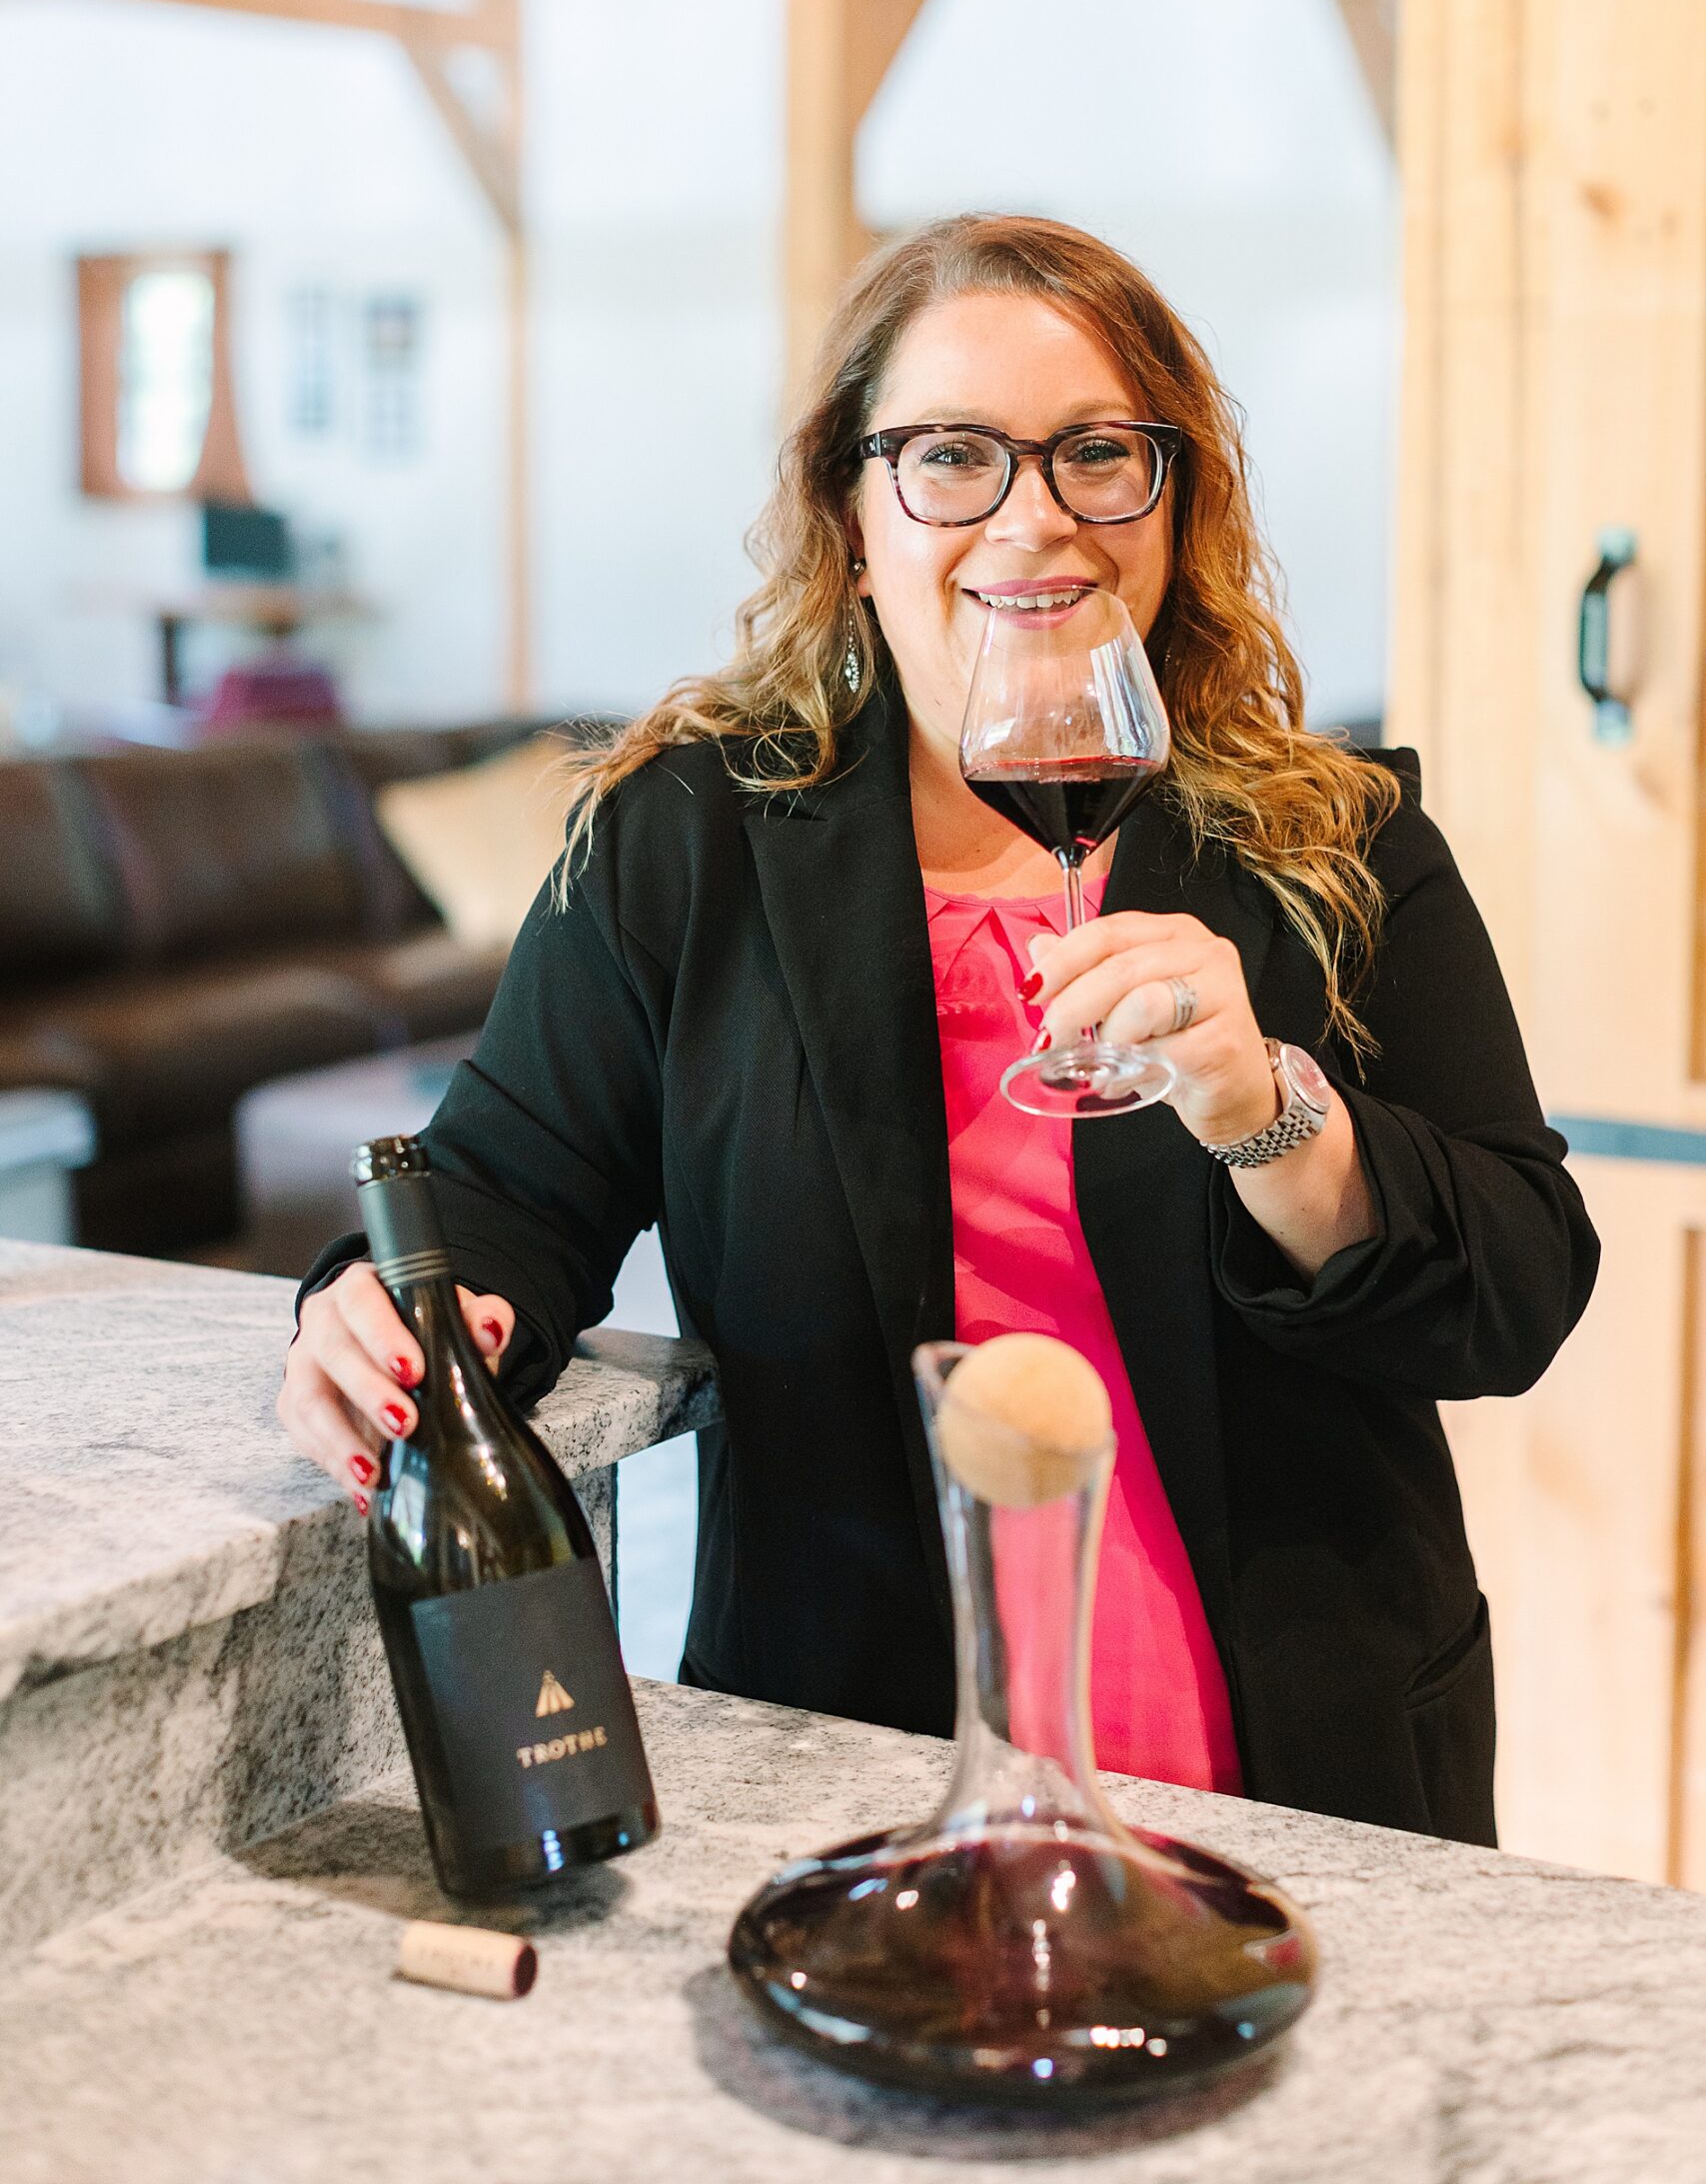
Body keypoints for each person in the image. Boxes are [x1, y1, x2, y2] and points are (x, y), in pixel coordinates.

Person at [283, 214, 1598, 1844]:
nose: (1035, 518)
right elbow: (508, 1192)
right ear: (851, 511)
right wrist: (387, 1318)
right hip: (857, 1761)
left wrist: (1272, 1112)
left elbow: (1520, 1293)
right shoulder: (685, 841)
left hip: (1299, 1773)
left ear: (1172, 509)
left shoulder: (1337, 840)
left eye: (1100, 455)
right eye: (954, 457)